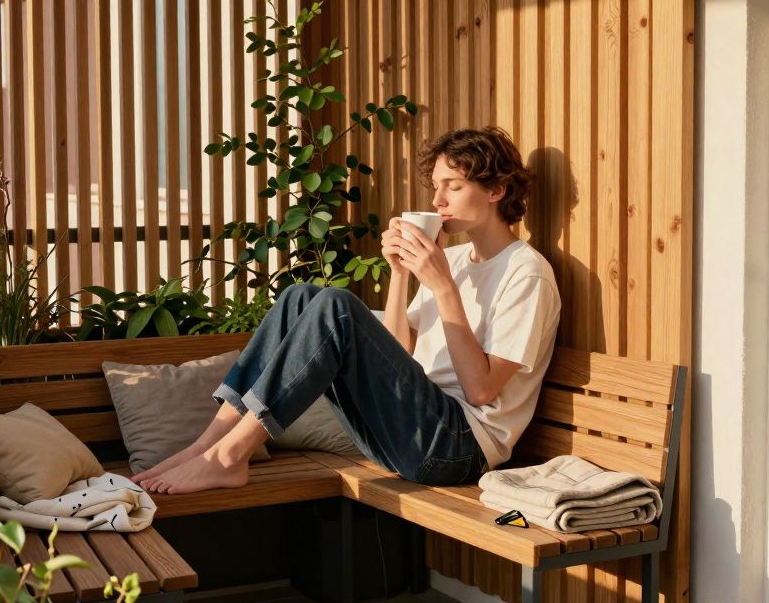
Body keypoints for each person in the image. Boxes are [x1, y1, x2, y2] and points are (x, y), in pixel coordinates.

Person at [135, 127, 561, 494]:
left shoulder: (526, 273)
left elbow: (482, 392)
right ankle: (209, 443)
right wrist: (399, 275)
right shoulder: (454, 260)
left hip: (457, 449)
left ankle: (230, 456)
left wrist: (442, 287)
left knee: (336, 307)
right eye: (436, 186)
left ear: (495, 190)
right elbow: (400, 353)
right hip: (407, 428)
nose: (437, 200)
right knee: (300, 296)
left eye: (453, 185)